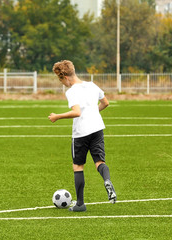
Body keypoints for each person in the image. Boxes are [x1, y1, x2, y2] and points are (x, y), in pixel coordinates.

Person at [48, 60, 117, 212]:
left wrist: (57, 116)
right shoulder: (92, 85)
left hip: (81, 133)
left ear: (64, 77)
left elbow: (77, 112)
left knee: (78, 166)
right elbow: (105, 103)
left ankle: (80, 204)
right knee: (99, 162)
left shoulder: (72, 91)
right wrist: (93, 113)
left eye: (60, 80)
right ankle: (107, 180)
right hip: (97, 128)